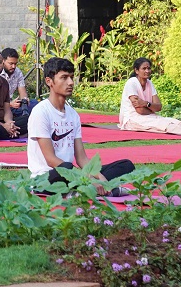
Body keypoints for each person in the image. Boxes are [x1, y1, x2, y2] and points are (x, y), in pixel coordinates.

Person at [28, 57, 134, 193]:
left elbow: (82, 158)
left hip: (73, 174)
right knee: (66, 167)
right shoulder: (41, 112)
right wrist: (88, 178)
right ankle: (91, 189)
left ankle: (88, 189)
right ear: (49, 81)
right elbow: (51, 160)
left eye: (72, 77)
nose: (70, 82)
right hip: (48, 177)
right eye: (64, 78)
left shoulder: (73, 115)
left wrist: (98, 176)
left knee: (126, 165)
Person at [119, 58, 181, 136]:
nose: (147, 71)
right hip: (132, 120)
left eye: (149, 68)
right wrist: (151, 108)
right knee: (163, 125)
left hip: (149, 116)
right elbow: (140, 110)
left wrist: (146, 103)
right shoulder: (131, 83)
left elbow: (159, 107)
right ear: (136, 70)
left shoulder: (149, 83)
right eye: (144, 68)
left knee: (171, 121)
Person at [1, 48, 35, 124]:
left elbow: (22, 91)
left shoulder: (17, 71)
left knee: (35, 104)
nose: (13, 66)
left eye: (15, 64)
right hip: (0, 107)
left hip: (12, 105)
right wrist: (9, 104)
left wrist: (24, 100)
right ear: (3, 61)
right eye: (11, 63)